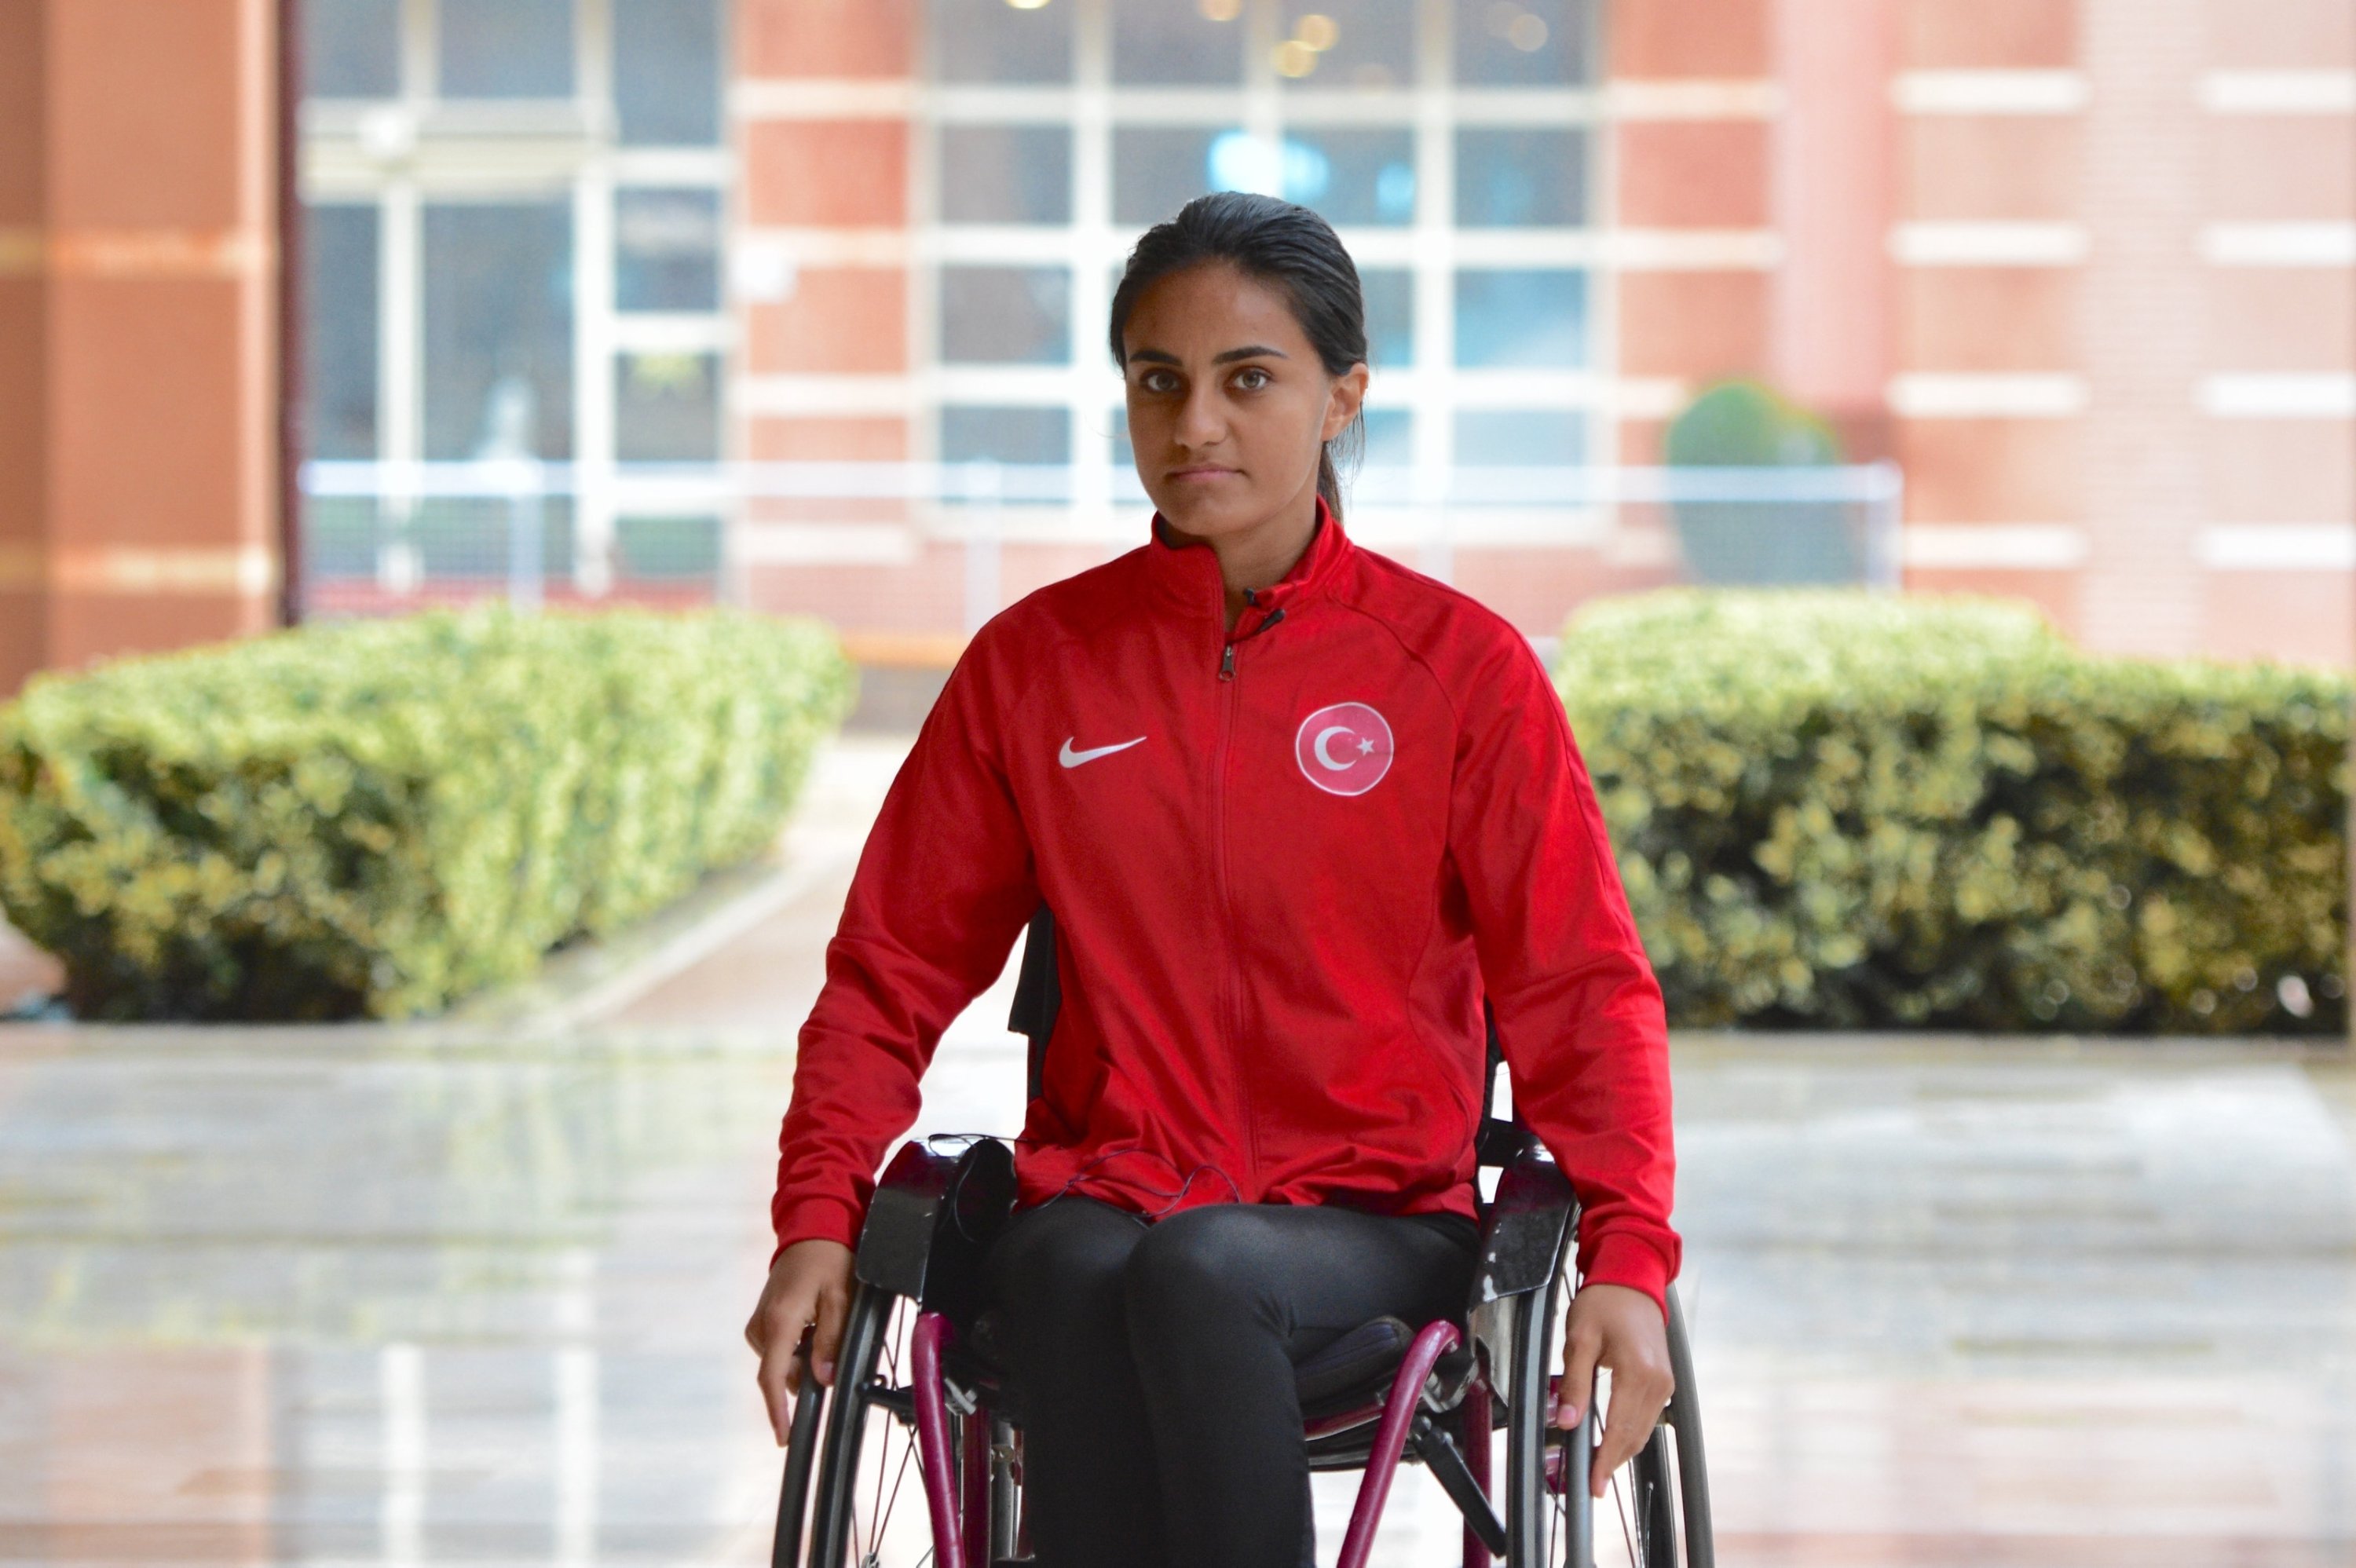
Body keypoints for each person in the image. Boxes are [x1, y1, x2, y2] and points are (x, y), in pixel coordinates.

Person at [746, 191, 1679, 1567]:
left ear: (1342, 396)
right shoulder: (1037, 666)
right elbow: (887, 973)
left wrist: (1630, 1259)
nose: (1195, 427)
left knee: (1202, 1266)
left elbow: (1580, 985)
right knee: (1067, 1256)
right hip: (1113, 1191)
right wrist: (815, 1220)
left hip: (1371, 1223)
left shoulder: (1457, 671)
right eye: (1158, 381)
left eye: (1250, 380)